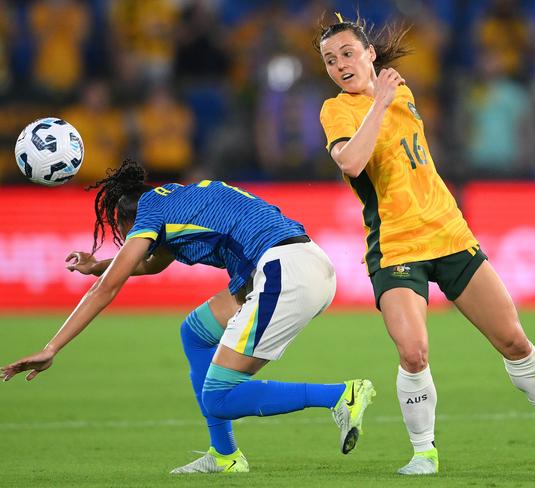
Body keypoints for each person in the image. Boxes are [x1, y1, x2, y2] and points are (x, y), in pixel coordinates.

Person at [314, 14, 535, 475]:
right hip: (395, 244)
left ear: (370, 54)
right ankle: (423, 453)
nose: (339, 65)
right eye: (330, 61)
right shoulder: (337, 110)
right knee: (413, 351)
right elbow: (352, 163)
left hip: (449, 233)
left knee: (513, 340)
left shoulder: (404, 94)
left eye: (347, 53)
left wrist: (388, 96)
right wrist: (380, 101)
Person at [0, 159, 376, 474]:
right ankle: (224, 456)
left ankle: (341, 396)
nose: (123, 242)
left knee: (218, 398)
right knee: (195, 332)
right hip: (300, 262)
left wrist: (52, 347)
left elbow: (107, 291)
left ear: (124, 222)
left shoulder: (149, 213)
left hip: (284, 273)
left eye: (120, 234)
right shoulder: (177, 197)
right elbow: (153, 264)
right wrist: (100, 264)